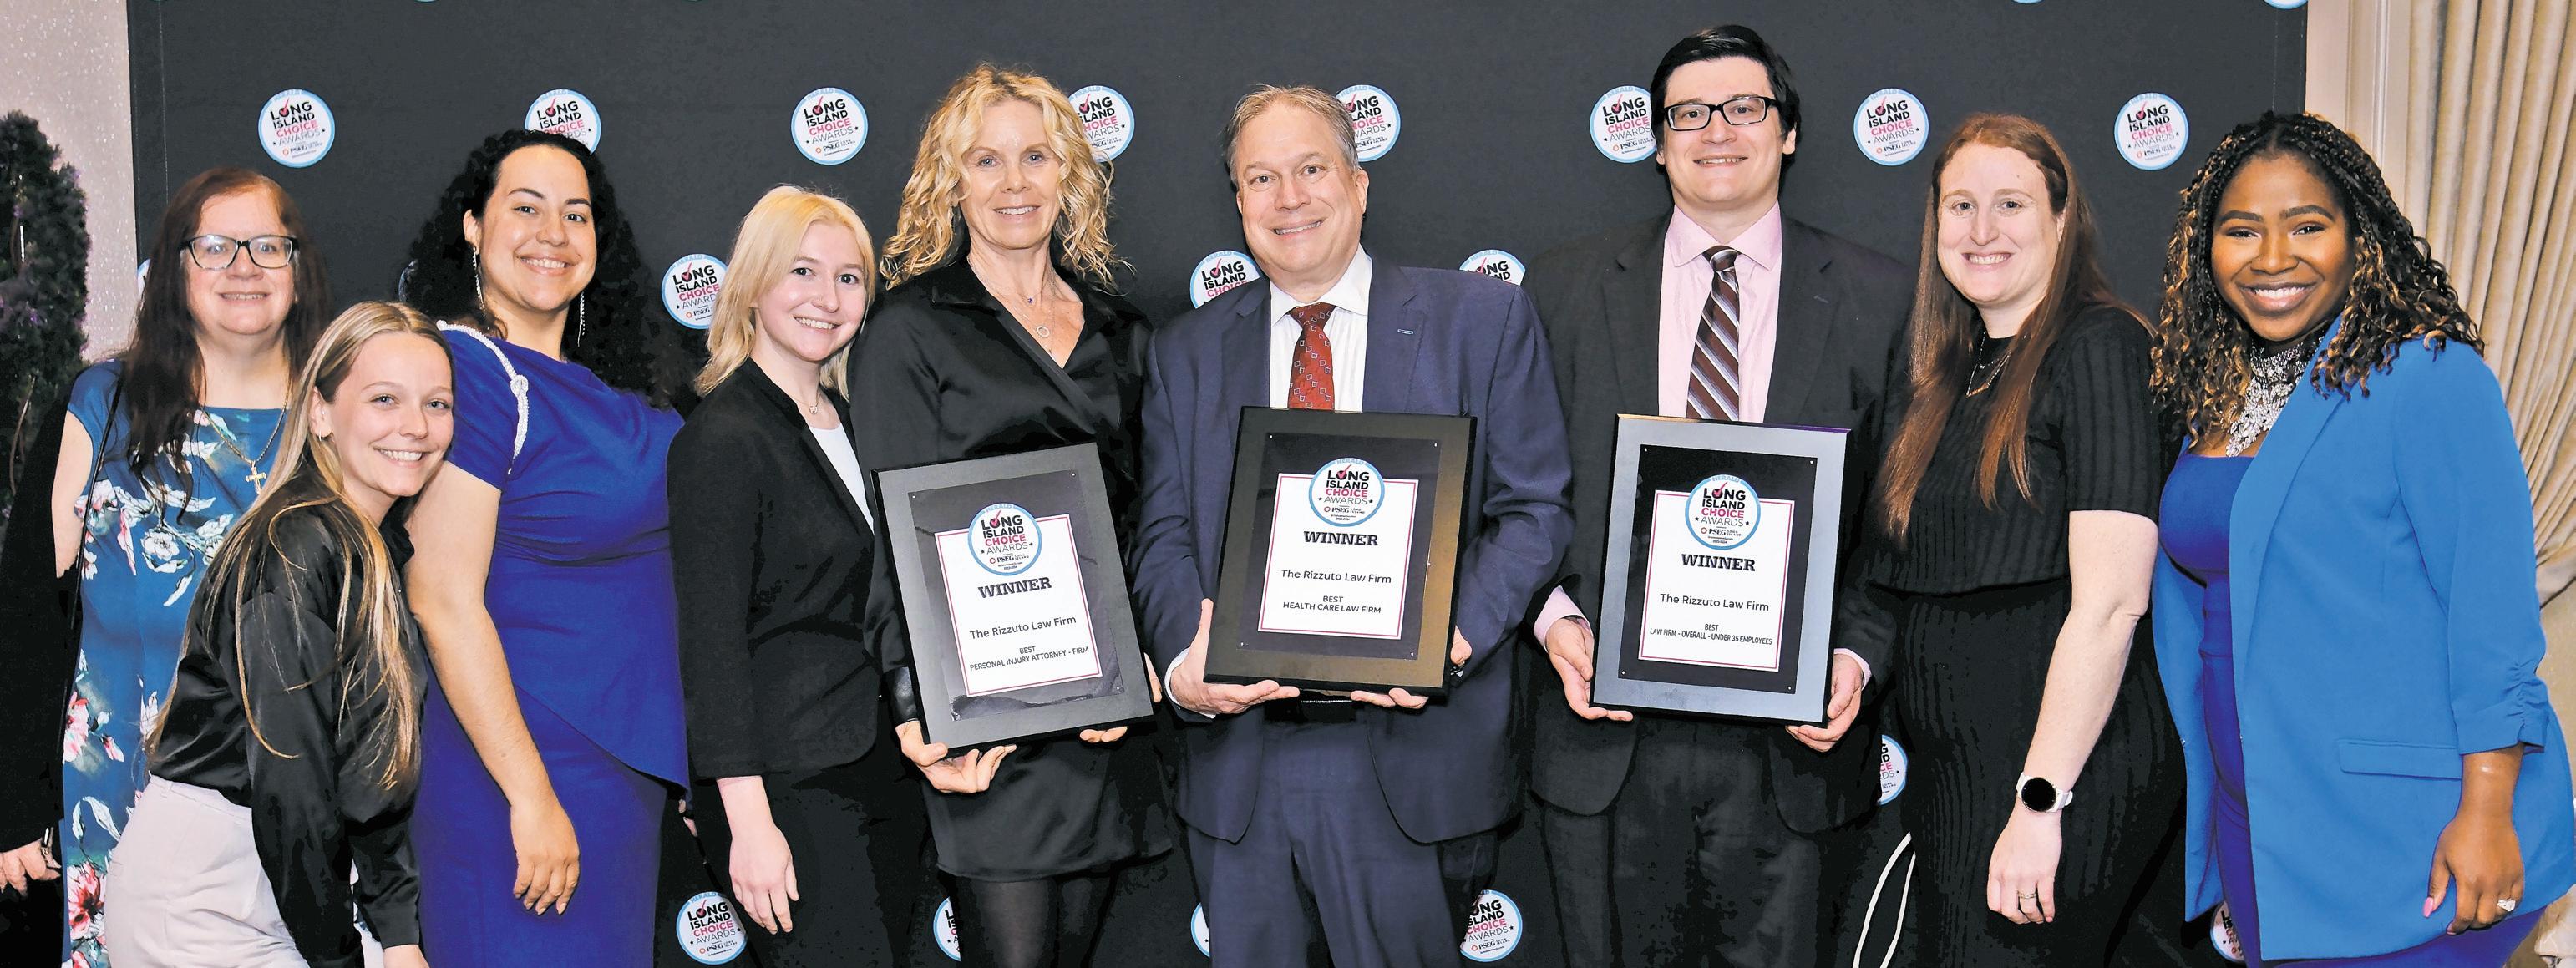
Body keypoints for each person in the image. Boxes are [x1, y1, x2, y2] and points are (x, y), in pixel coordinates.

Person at [1128, 84, 1573, 968]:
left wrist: (1448, 638)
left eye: (1311, 169)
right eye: (1260, 178)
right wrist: (1185, 666)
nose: (1288, 197)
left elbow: (1534, 508)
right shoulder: (1185, 351)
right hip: (1241, 762)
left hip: (1414, 754)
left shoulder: (1479, 321)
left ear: (1359, 184)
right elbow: (1163, 533)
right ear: (1238, 202)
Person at [1521, 25, 1913, 966]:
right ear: (1657, 143)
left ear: (1788, 131)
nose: (1717, 131)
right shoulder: (1563, 287)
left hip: (1791, 748)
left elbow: (1901, 518)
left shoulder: (1883, 297)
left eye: (1745, 107)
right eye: (1689, 113)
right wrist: (1554, 618)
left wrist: (1855, 655)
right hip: (1608, 738)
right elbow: (1514, 486)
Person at [2148, 110, 2575, 965]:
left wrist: (2487, 808)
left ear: (2361, 238)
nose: (2273, 257)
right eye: (2242, 230)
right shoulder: (2220, 395)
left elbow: (2490, 614)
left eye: (2308, 225)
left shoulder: (2427, 374)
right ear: (2207, 249)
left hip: (2406, 830)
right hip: (2262, 820)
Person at [844, 64, 1169, 968]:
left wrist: (1141, 656)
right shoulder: (910, 329)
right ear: (951, 182)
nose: (1014, 182)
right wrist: (915, 703)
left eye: (1036, 157)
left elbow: (1146, 522)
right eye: (985, 160)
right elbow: (896, 533)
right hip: (985, 712)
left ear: (1069, 174)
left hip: (1101, 710)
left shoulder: (1120, 330)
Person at [1853, 113, 2183, 966]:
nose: (1982, 230)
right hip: (1957, 776)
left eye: (2011, 204)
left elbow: (2112, 605)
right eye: (1960, 205)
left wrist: (2042, 801)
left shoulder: (2101, 348)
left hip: (2062, 771)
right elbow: (1892, 577)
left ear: (2062, 221)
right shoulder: (1939, 375)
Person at [0, 167, 331, 968]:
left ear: (299, 267)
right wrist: (13, 802)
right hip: (117, 784)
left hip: (298, 794)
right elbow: (27, 611)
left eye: (268, 245)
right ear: (176, 268)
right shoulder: (104, 404)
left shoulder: (343, 413)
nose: (244, 266)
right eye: (214, 246)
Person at [398, 129, 695, 965]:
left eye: (575, 214)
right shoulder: (467, 371)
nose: (552, 235)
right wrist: (529, 796)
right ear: (473, 227)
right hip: (517, 775)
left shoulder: (614, 386)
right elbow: (441, 597)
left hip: (618, 777)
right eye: (524, 208)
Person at [101, 301, 451, 968]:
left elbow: (374, 771)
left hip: (281, 881)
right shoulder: (295, 548)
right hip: (203, 897)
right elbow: (294, 786)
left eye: (437, 403)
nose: (416, 425)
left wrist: (399, 934)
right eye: (385, 398)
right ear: (320, 412)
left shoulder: (372, 547)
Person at [671, 185, 930, 965]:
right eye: (803, 271)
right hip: (786, 786)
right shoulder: (722, 435)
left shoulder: (853, 422)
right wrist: (747, 820)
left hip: (882, 770)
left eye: (849, 278)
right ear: (753, 284)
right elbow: (710, 644)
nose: (828, 297)